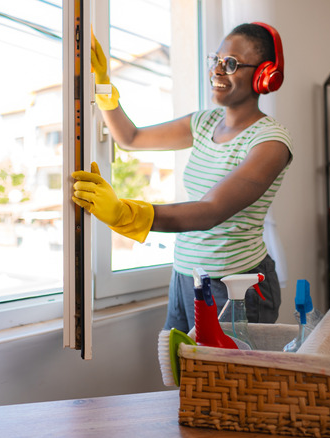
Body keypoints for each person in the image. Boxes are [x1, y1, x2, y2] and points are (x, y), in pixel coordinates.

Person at [72, 22, 293, 333]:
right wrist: (103, 85)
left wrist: (125, 213)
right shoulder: (205, 122)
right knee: (183, 374)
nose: (217, 71)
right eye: (215, 60)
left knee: (226, 382)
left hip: (234, 286)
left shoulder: (270, 142)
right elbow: (131, 137)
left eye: (229, 64)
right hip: (186, 276)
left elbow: (210, 211)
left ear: (264, 76)